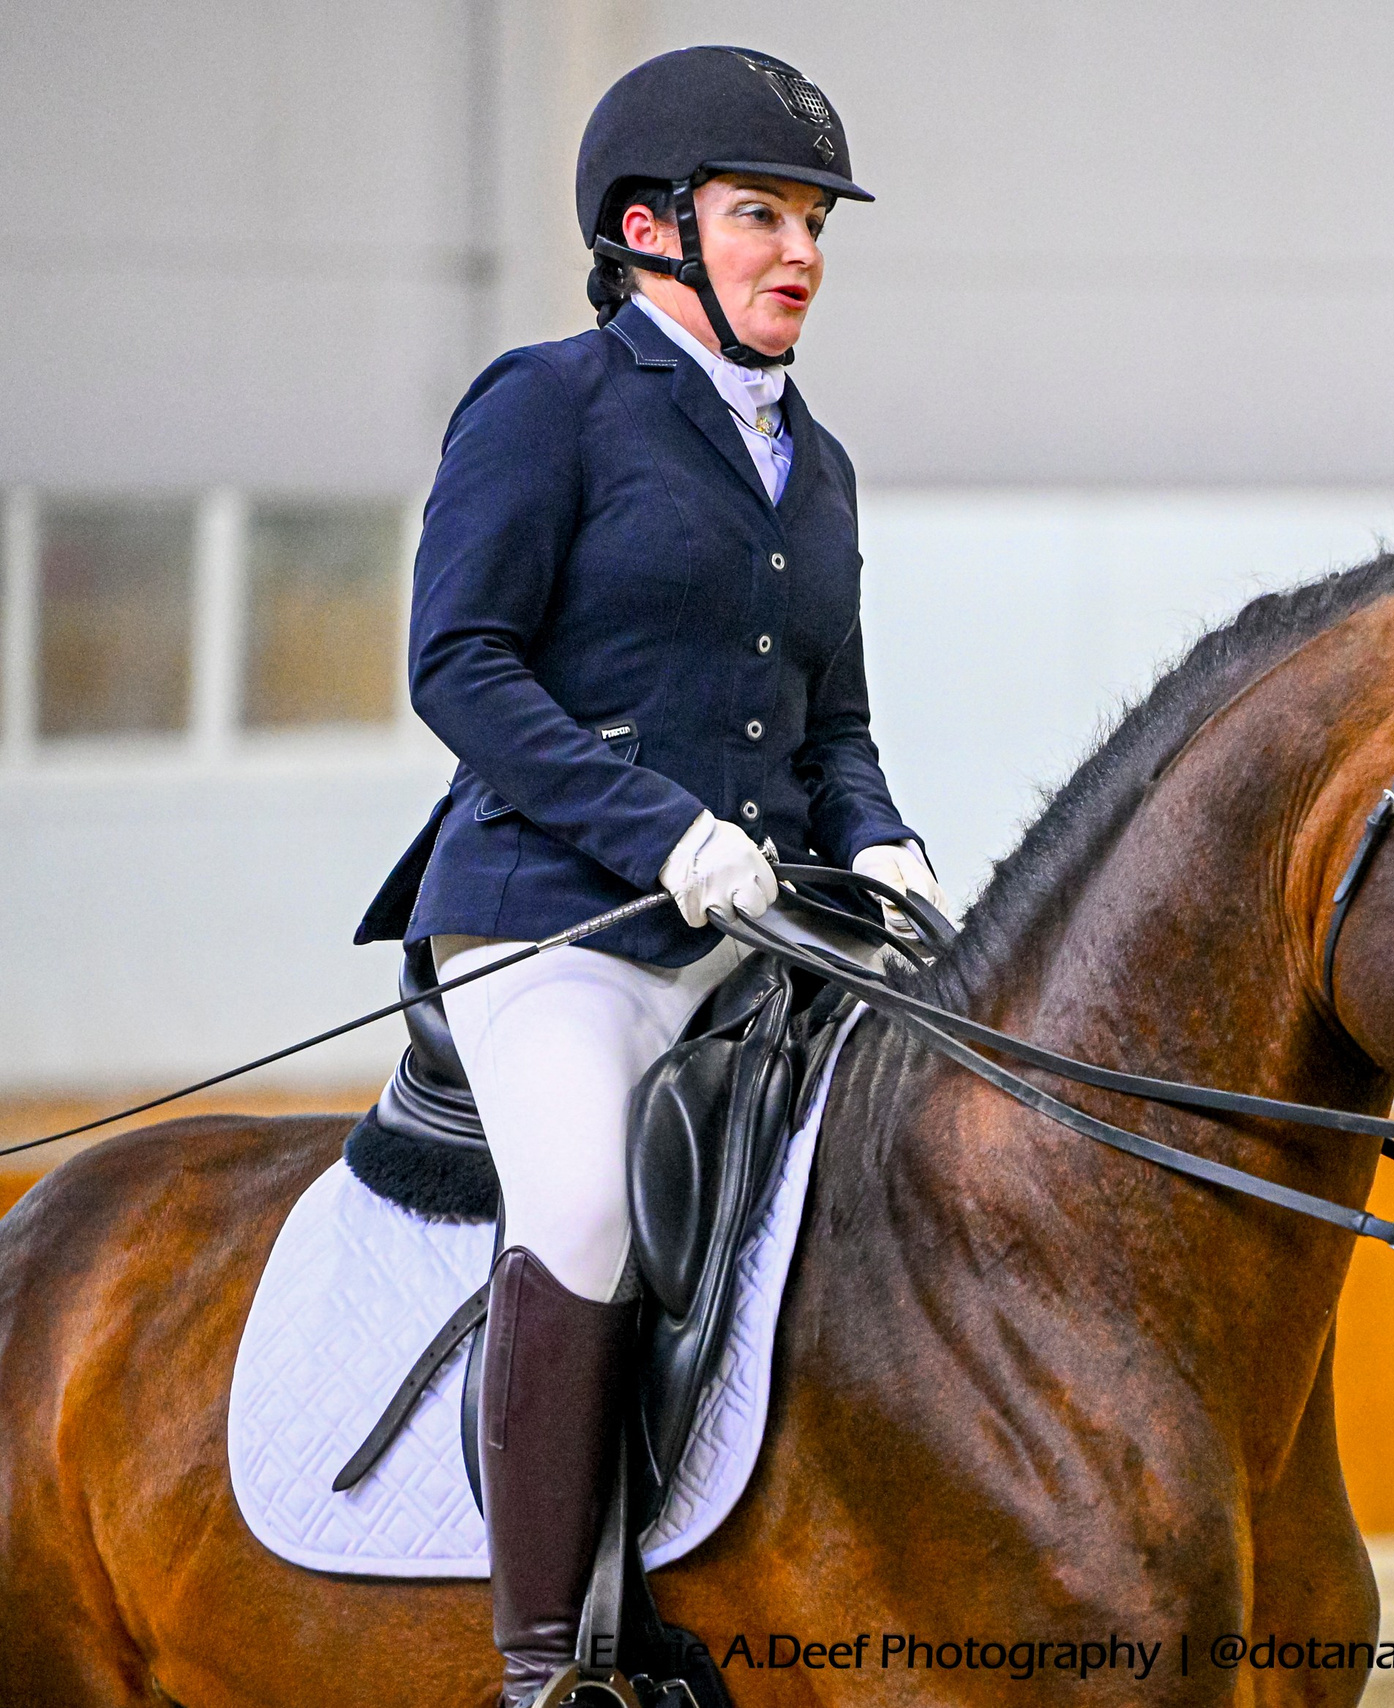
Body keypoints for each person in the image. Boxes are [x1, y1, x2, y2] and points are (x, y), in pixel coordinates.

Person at [352, 45, 946, 1702]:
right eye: (762, 214)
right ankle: (553, 1662)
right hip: (558, 921)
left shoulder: (809, 461)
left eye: (815, 222)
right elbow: (459, 665)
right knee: (588, 1202)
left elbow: (833, 716)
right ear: (649, 228)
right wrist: (660, 828)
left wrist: (876, 835)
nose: (802, 253)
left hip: (760, 927)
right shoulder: (547, 402)